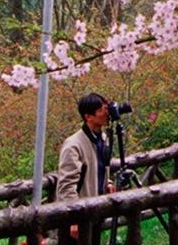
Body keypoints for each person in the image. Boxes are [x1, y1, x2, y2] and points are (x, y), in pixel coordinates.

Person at [56, 93, 113, 243]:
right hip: (76, 217)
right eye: (102, 110)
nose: (107, 114)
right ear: (88, 116)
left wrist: (108, 183)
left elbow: (100, 169)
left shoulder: (103, 139)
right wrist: (73, 219)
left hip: (95, 212)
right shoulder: (73, 145)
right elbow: (66, 186)